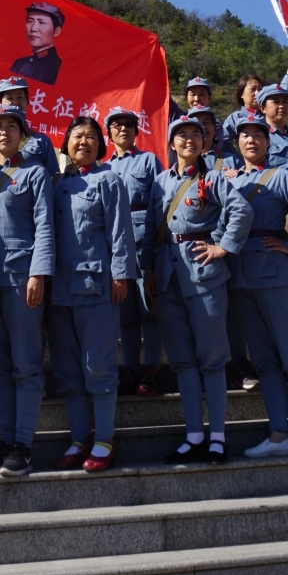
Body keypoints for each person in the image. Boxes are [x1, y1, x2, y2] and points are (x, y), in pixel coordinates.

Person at [144, 115, 253, 463]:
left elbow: (241, 209)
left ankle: (217, 436)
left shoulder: (213, 179)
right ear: (172, 143)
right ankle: (193, 435)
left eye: (197, 135)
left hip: (203, 274)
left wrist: (222, 247)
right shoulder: (160, 182)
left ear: (205, 143)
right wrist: (147, 270)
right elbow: (150, 229)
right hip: (167, 276)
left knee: (212, 358)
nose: (190, 140)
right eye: (182, 135)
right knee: (182, 361)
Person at [227, 111, 288, 459]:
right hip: (241, 274)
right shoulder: (230, 180)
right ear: (237, 144)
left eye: (258, 135)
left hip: (275, 271)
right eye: (245, 136)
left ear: (268, 143)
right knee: (265, 361)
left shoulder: (281, 176)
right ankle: (278, 433)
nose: (251, 140)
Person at [0, 102, 55, 480]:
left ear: (24, 134)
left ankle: (23, 444)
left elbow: (44, 226)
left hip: (23, 278)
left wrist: (39, 273)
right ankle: (6, 441)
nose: (5, 132)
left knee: (26, 364)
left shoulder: (35, 173)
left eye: (12, 126)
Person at [50, 115, 135, 472]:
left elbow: (120, 232)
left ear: (100, 145)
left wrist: (121, 275)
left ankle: (103, 438)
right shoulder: (55, 185)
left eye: (90, 137)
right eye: (76, 136)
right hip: (59, 289)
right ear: (66, 143)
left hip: (97, 286)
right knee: (68, 370)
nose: (82, 142)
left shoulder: (109, 180)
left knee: (98, 365)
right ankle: (78, 436)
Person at [104, 105, 164, 397]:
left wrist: (153, 256)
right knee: (126, 317)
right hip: (116, 252)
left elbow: (160, 208)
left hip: (144, 249)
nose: (123, 129)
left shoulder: (149, 161)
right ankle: (129, 369)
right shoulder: (103, 168)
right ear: (109, 132)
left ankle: (152, 370)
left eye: (128, 124)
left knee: (149, 313)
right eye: (116, 125)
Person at [0, 77, 60, 178]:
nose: (15, 102)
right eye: (9, 98)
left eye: (20, 97)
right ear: (0, 104)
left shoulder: (42, 141)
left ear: (27, 102)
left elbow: (53, 180)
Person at [10, 1, 65, 85]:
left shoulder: (58, 68)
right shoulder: (18, 63)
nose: (33, 28)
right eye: (30, 21)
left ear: (56, 31)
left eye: (41, 22)